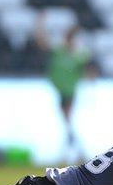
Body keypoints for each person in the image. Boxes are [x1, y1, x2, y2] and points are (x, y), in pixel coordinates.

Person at [34, 11, 97, 164]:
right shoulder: (60, 51)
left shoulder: (79, 54)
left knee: (67, 121)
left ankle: (76, 153)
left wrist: (89, 76)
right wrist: (40, 24)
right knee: (67, 123)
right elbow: (42, 42)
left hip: (69, 92)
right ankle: (77, 153)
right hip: (61, 91)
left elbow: (90, 71)